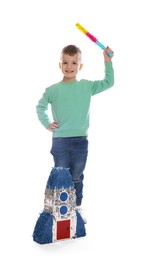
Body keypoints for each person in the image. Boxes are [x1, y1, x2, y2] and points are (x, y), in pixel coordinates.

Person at [36, 44, 114, 223]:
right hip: (60, 141)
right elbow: (40, 106)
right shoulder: (53, 90)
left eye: (73, 62)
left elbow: (109, 82)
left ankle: (77, 207)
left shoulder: (86, 86)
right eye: (65, 62)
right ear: (60, 65)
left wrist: (107, 61)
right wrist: (47, 123)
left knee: (77, 176)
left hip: (80, 140)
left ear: (80, 66)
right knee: (61, 173)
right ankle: (56, 207)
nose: (69, 66)